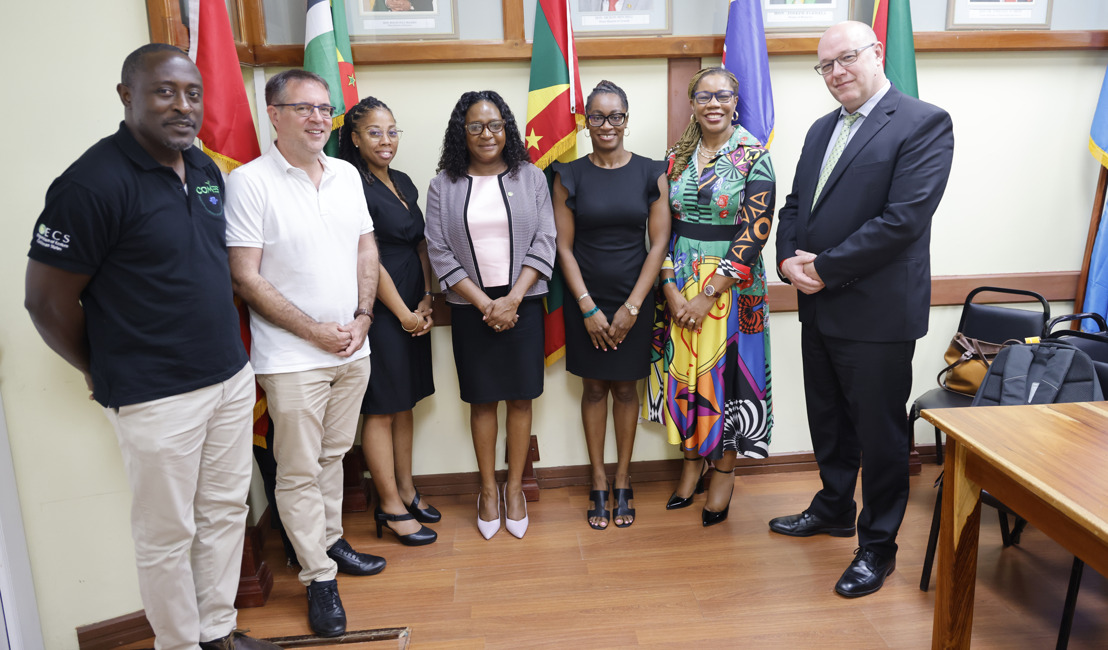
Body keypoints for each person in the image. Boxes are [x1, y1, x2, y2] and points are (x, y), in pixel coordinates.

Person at [24, 44, 278, 650]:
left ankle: (216, 632)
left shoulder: (206, 170)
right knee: (167, 534)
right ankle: (178, 644)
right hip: (155, 397)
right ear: (127, 96)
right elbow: (45, 303)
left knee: (223, 515)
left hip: (227, 377)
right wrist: (103, 365)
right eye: (165, 92)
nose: (183, 106)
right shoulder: (90, 185)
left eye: (193, 93)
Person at [769, 21, 954, 598]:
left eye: (846, 58)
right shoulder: (822, 129)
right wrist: (785, 263)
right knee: (829, 419)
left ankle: (878, 546)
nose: (836, 72)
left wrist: (821, 269)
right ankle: (832, 508)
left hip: (876, 314)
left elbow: (902, 221)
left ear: (877, 54)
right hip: (818, 307)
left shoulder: (924, 123)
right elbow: (796, 205)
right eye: (825, 65)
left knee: (878, 435)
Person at [226, 69, 385, 638]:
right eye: (304, 108)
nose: (319, 118)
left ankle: (332, 543)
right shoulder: (249, 183)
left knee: (333, 456)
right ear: (274, 114)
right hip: (292, 358)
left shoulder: (345, 174)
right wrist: (316, 331)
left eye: (325, 108)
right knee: (296, 470)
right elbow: (245, 277)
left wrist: (364, 316)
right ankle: (319, 577)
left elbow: (367, 249)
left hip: (353, 346)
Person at [424, 90, 556, 540]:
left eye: (495, 124)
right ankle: (486, 489)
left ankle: (514, 489)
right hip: (470, 307)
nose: (487, 134)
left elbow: (545, 240)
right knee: (482, 401)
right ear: (462, 131)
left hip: (523, 302)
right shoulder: (444, 183)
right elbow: (438, 251)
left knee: (521, 399)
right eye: (476, 126)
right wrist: (485, 304)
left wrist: (513, 299)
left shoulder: (531, 177)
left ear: (508, 128)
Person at [649, 66, 776, 527]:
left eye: (723, 96)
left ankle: (723, 471)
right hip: (679, 278)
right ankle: (690, 463)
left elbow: (754, 233)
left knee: (728, 381)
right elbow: (660, 229)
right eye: (704, 96)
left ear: (735, 102)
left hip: (734, 289)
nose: (714, 104)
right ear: (693, 103)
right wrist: (668, 285)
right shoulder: (675, 158)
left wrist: (707, 295)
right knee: (687, 376)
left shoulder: (754, 156)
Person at [551, 80, 669, 530]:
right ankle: (598, 480)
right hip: (587, 300)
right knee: (594, 389)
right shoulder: (568, 173)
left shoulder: (650, 171)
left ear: (626, 118)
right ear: (585, 120)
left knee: (625, 390)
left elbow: (658, 244)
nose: (606, 125)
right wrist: (587, 307)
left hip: (634, 299)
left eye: (615, 116)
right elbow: (563, 247)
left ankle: (624, 478)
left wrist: (632, 307)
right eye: (596, 116)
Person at [338, 96, 437, 547]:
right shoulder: (348, 183)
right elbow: (367, 256)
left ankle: (408, 489)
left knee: (405, 402)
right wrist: (401, 313)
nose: (385, 140)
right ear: (355, 139)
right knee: (380, 408)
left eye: (392, 130)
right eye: (374, 132)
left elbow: (420, 244)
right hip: (380, 309)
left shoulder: (402, 180)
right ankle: (389, 505)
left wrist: (427, 299)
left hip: (414, 305)